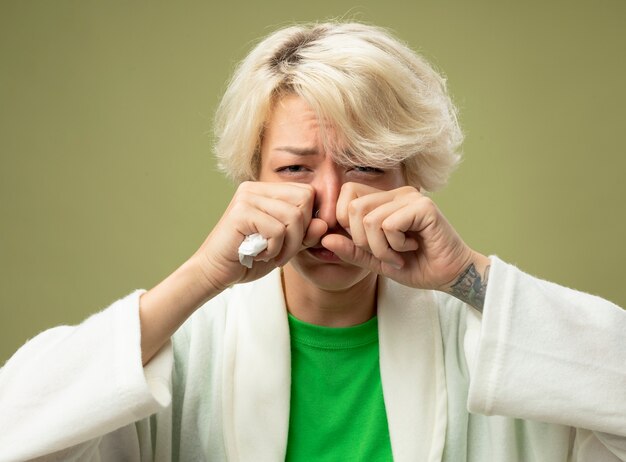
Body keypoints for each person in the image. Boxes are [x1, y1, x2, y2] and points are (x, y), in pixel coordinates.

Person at [0, 21, 625, 462]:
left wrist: (469, 276)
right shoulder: (183, 349)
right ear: (253, 178)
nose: (329, 204)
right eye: (296, 170)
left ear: (412, 178)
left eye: (365, 166)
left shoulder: (489, 342)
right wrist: (200, 277)